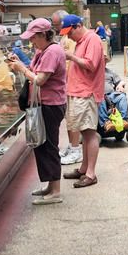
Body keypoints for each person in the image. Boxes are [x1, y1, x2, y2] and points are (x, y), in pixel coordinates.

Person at [9, 18, 67, 205]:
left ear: (43, 34)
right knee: (42, 145)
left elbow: (40, 79)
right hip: (44, 104)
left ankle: (55, 191)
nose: (31, 41)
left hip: (51, 105)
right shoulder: (43, 51)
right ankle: (51, 186)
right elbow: (34, 72)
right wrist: (20, 64)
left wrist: (21, 70)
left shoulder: (52, 52)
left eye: (33, 37)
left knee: (49, 146)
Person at [60, 15, 105, 188]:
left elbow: (91, 65)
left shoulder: (92, 39)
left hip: (87, 93)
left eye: (69, 32)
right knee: (84, 134)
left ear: (78, 26)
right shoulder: (80, 41)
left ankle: (91, 174)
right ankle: (84, 168)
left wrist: (70, 56)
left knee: (89, 133)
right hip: (79, 92)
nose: (68, 36)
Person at [53, 10, 81, 166]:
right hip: (66, 83)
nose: (56, 27)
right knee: (69, 119)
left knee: (73, 118)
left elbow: (70, 60)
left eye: (57, 24)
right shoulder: (65, 36)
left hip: (71, 82)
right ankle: (72, 147)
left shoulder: (70, 39)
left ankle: (76, 150)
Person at [98, 67, 128, 131]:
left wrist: (120, 85)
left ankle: (124, 120)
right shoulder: (93, 71)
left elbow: (121, 81)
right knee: (100, 97)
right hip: (99, 94)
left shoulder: (109, 72)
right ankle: (106, 122)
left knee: (122, 97)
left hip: (110, 95)